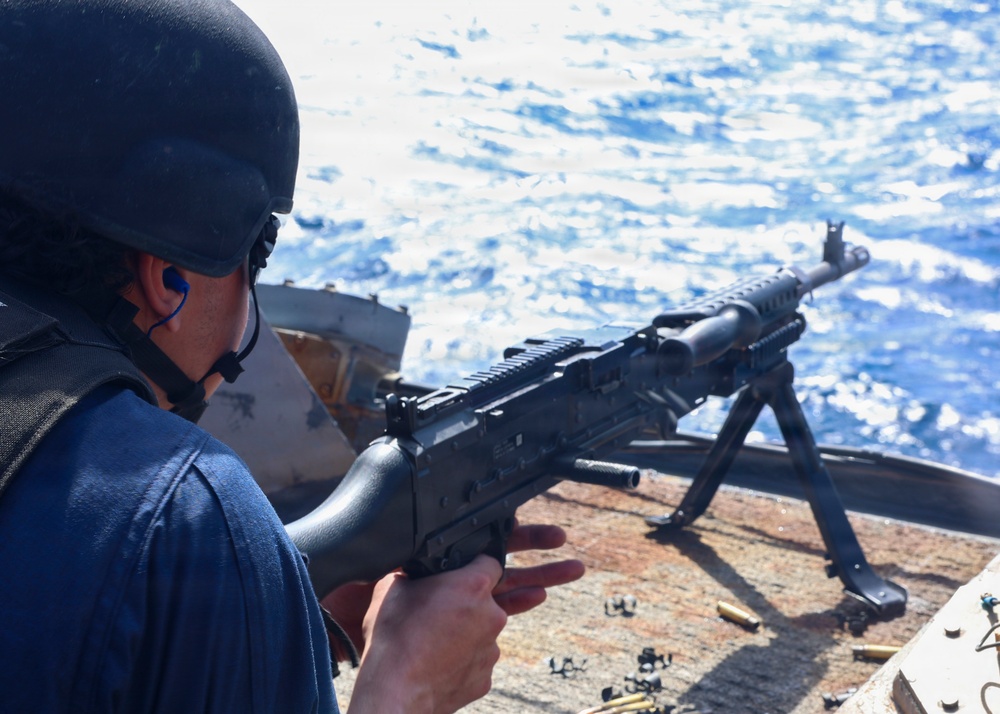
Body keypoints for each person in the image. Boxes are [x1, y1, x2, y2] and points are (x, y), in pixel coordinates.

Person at [0, 0, 584, 712]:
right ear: (169, 278)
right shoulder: (182, 517)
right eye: (257, 254)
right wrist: (406, 688)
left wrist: (290, 628)